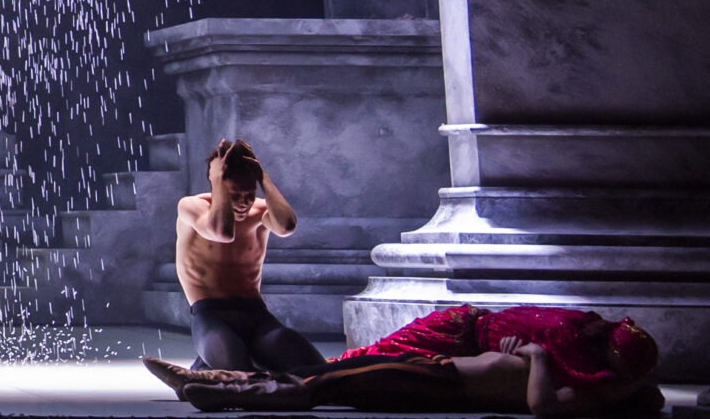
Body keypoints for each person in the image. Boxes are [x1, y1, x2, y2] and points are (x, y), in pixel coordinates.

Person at [168, 304, 661, 415]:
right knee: (339, 372)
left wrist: (536, 356)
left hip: (443, 379)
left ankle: (223, 393)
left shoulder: (584, 389)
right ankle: (224, 382)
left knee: (333, 382)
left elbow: (544, 409)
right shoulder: (581, 368)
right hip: (442, 366)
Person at [169, 139, 320, 375]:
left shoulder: (260, 211)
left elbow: (287, 226)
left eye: (249, 194)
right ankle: (205, 367)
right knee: (241, 374)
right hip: (211, 315)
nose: (243, 203)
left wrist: (263, 177)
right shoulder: (191, 207)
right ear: (216, 185)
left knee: (315, 372)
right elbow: (222, 232)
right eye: (235, 194)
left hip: (256, 315)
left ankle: (211, 367)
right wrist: (216, 177)